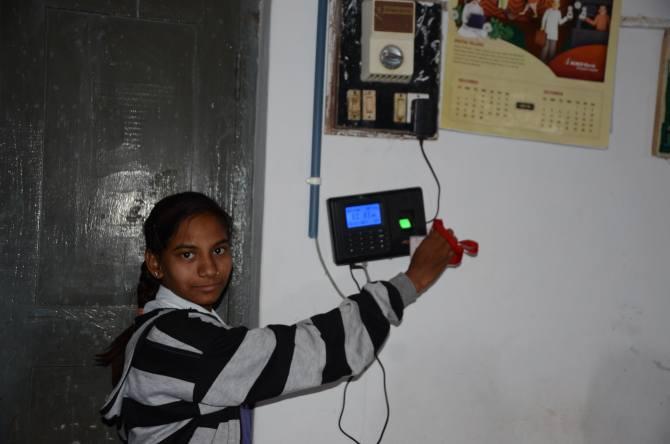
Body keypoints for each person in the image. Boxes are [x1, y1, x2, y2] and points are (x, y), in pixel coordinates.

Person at [98, 191, 459, 443]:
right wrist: (412, 281)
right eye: (188, 255)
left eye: (219, 250)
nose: (210, 269)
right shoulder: (183, 342)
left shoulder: (169, 329)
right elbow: (312, 351)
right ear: (155, 263)